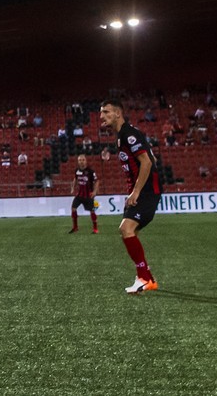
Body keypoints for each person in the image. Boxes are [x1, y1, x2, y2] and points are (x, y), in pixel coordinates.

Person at [99, 99, 161, 295]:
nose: (102, 116)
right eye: (101, 113)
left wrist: (136, 191)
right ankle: (147, 278)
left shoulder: (128, 134)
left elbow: (147, 162)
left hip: (146, 191)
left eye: (106, 112)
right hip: (142, 190)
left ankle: (144, 278)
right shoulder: (122, 136)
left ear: (118, 113)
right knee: (130, 231)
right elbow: (152, 158)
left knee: (126, 229)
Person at [68, 153, 99, 234]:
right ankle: (75, 227)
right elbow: (75, 179)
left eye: (83, 160)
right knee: (73, 208)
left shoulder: (90, 171)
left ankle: (95, 228)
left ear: (86, 161)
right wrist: (72, 188)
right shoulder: (77, 171)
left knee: (92, 212)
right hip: (79, 195)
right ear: (78, 162)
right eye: (79, 160)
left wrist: (95, 191)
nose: (81, 162)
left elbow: (97, 181)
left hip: (88, 195)